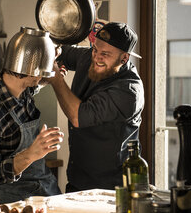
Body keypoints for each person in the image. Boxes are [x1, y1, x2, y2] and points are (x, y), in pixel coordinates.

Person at [47, 21, 145, 192]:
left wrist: (56, 79)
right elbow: (62, 50)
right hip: (78, 180)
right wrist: (54, 50)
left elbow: (78, 116)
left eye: (106, 54)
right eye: (95, 49)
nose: (97, 57)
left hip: (112, 190)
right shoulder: (90, 57)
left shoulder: (129, 92)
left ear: (124, 58)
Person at [0, 46, 64, 204]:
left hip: (46, 191)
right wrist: (31, 154)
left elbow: (36, 85)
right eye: (41, 68)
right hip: (14, 202)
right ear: (28, 69)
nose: (43, 75)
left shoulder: (22, 88)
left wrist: (48, 61)